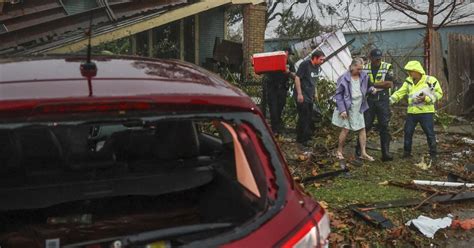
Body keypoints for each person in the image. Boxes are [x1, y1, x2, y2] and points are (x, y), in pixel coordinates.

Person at [390, 60, 443, 163]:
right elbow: (400, 93)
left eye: (411, 71)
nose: (409, 73)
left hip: (426, 112)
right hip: (412, 112)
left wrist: (426, 99)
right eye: (408, 71)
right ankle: (406, 154)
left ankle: (433, 155)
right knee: (408, 132)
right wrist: (390, 100)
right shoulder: (408, 81)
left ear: (417, 71)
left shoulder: (430, 80)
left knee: (429, 133)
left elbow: (439, 93)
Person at [332, 58, 374, 162]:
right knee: (346, 129)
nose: (360, 71)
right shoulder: (344, 78)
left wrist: (371, 90)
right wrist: (342, 110)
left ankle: (363, 153)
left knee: (362, 128)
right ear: (352, 67)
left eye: (361, 69)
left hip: (358, 107)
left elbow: (365, 88)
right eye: (358, 69)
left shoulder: (364, 76)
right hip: (347, 107)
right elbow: (338, 95)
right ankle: (339, 151)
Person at [355, 49, 394, 162]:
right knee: (365, 125)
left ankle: (385, 153)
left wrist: (372, 84)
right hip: (369, 99)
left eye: (379, 58)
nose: (378, 60)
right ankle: (359, 150)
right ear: (370, 57)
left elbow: (389, 84)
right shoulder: (365, 67)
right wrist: (372, 85)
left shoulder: (387, 66)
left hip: (382, 99)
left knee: (384, 125)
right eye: (376, 58)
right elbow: (360, 82)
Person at [294, 50, 325, 148]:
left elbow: (314, 81)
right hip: (302, 94)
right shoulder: (305, 65)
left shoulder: (317, 67)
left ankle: (302, 137)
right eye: (321, 59)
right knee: (304, 117)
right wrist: (299, 94)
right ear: (315, 58)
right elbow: (297, 78)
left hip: (310, 95)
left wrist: (315, 93)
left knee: (308, 116)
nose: (322, 61)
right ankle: (303, 139)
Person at [264, 47, 295, 135]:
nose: (288, 56)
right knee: (273, 109)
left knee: (279, 109)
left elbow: (294, 76)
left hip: (282, 89)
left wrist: (288, 72)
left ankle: (277, 127)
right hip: (272, 88)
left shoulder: (289, 63)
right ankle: (275, 130)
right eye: (288, 54)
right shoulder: (273, 60)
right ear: (284, 52)